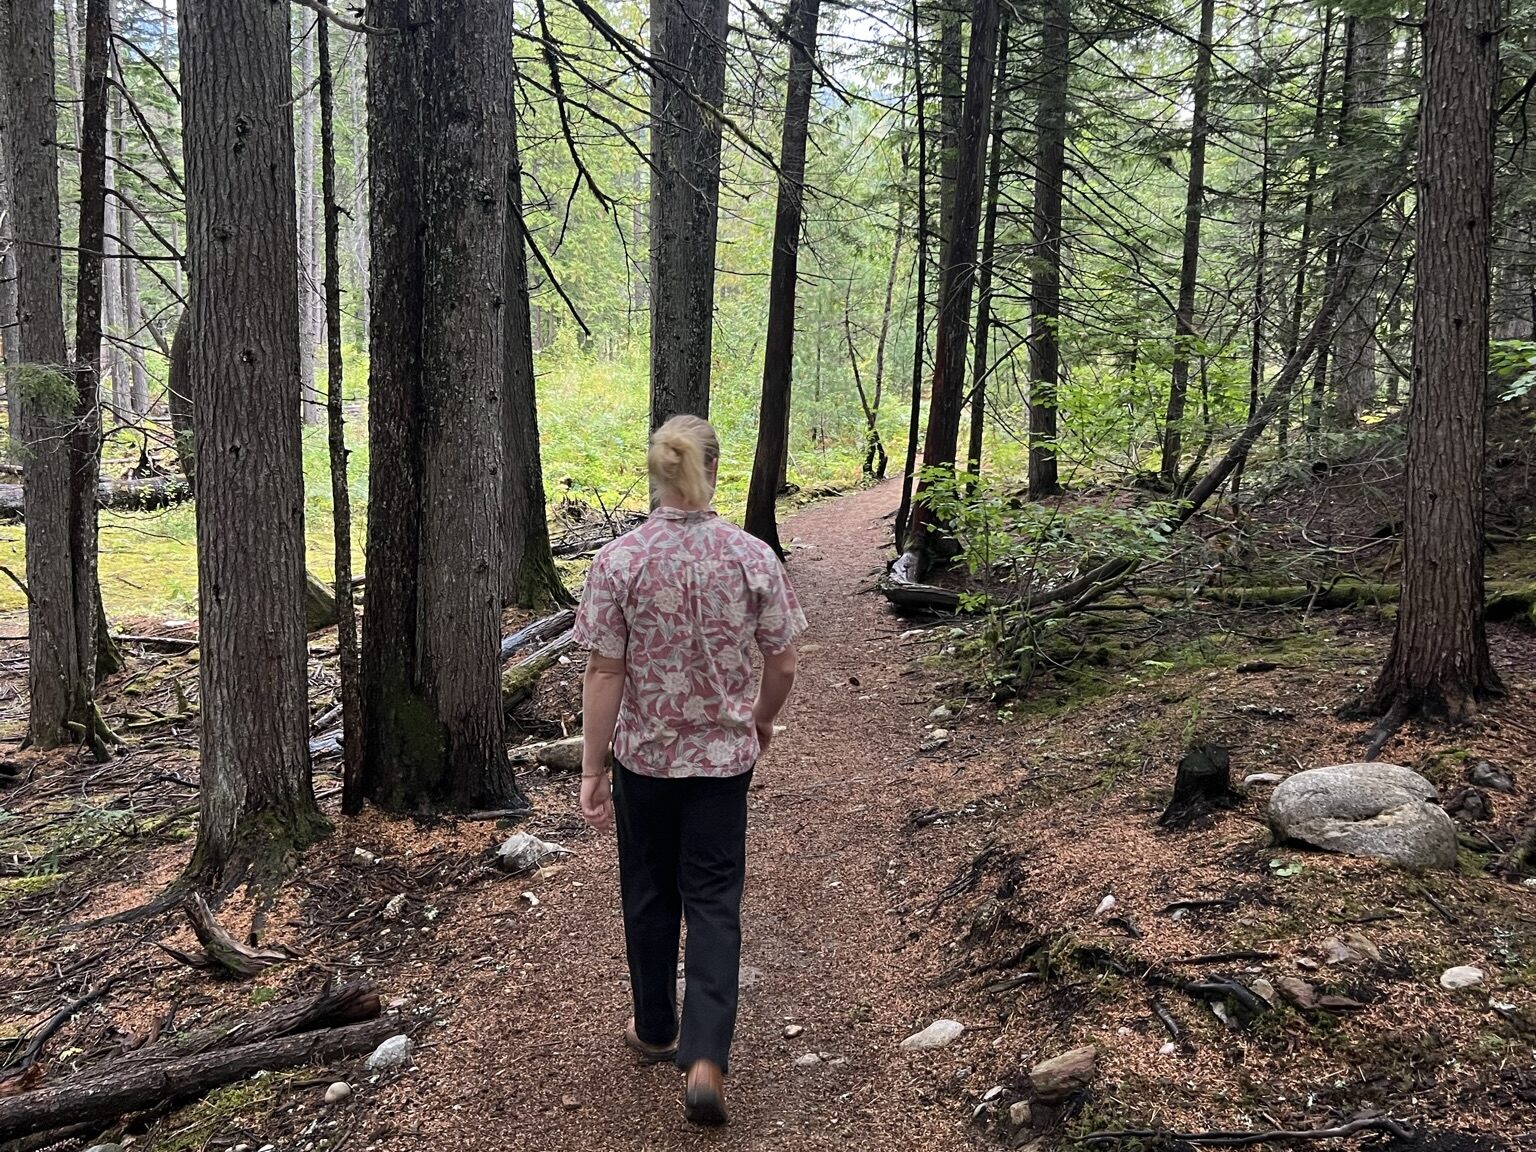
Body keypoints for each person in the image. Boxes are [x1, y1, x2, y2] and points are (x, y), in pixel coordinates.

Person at [571, 414, 806, 1127]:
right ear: (714, 470)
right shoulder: (751, 557)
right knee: (713, 900)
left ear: (657, 471)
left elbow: (604, 672)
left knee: (648, 892)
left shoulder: (621, 560)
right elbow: (785, 661)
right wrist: (760, 718)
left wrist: (592, 766)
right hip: (722, 764)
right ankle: (705, 1057)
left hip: (644, 762)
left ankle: (654, 1027)